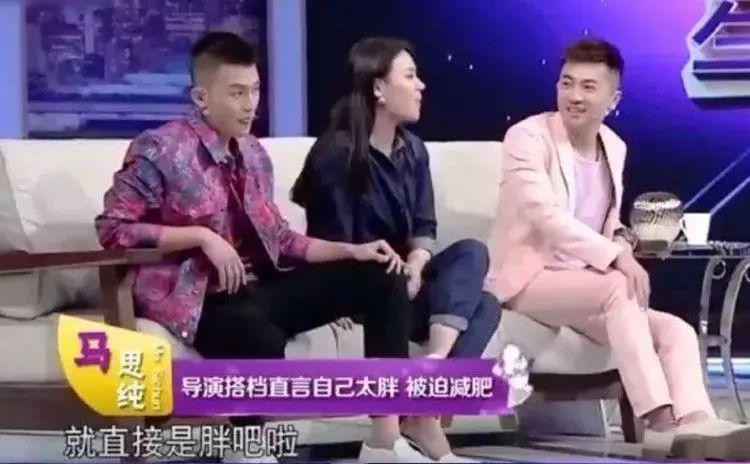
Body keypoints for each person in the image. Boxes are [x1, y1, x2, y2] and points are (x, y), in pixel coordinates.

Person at [96, 31, 431, 463]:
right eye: (237, 93)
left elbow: (282, 240)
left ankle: (384, 440)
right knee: (255, 332)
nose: (250, 104)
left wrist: (353, 252)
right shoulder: (160, 149)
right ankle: (247, 449)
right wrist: (201, 237)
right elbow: (113, 228)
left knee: (383, 275)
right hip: (199, 298)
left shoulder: (254, 153)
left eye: (255, 91)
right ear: (201, 98)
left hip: (259, 286)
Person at [485, 37, 750, 460]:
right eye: (567, 83)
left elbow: (605, 219)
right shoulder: (528, 137)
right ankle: (659, 421)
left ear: (613, 99)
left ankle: (697, 423)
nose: (574, 95)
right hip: (529, 280)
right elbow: (543, 215)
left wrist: (622, 238)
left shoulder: (614, 146)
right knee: (617, 286)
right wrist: (616, 257)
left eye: (588, 87)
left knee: (676, 331)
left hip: (583, 284)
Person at [291, 37, 500, 462]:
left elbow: (424, 226)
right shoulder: (337, 153)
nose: (421, 86)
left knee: (476, 266)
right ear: (378, 89)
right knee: (476, 302)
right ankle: (422, 413)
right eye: (410, 76)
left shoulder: (414, 150)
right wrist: (381, 278)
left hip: (405, 282)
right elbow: (333, 241)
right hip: (365, 287)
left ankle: (432, 377)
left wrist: (418, 265)